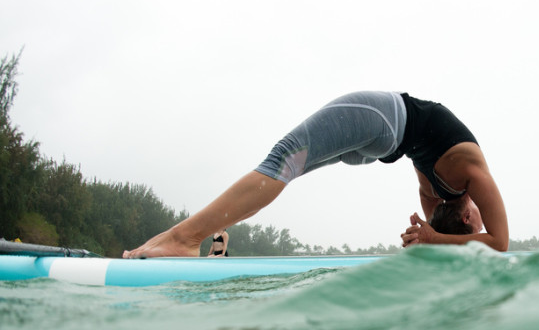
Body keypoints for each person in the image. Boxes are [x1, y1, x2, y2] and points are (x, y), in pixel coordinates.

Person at [123, 91, 508, 259]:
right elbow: (499, 242)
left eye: (472, 226)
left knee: (281, 162)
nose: (479, 222)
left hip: (382, 124)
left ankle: (184, 238)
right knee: (286, 168)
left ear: (464, 215)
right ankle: (182, 236)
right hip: (380, 139)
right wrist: (431, 238)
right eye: (475, 229)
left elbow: (494, 241)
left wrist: (430, 237)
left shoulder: (452, 186)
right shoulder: (461, 180)